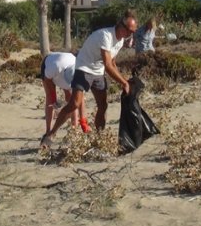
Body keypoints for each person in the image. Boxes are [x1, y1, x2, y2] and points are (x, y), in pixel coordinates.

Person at [41, 12, 138, 149]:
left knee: (103, 105)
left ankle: (99, 139)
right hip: (84, 68)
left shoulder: (120, 41)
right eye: (129, 30)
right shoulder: (106, 36)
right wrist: (124, 83)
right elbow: (108, 65)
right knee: (74, 103)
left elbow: (113, 62)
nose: (130, 34)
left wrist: (123, 80)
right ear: (121, 26)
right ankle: (50, 135)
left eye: (133, 32)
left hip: (98, 72)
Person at [41, 52, 89, 136]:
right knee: (50, 100)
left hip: (67, 66)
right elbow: (47, 79)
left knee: (72, 100)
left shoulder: (80, 73)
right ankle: (48, 131)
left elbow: (80, 101)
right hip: (50, 67)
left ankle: (74, 128)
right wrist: (53, 98)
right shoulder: (55, 67)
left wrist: (83, 121)